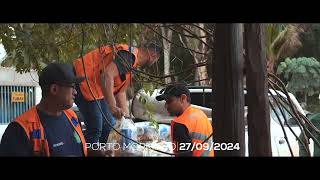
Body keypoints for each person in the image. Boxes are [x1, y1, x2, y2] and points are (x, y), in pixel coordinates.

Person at [73, 43, 161, 147]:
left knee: (109, 124)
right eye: (156, 61)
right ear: (154, 56)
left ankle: (103, 152)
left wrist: (127, 119)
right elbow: (106, 76)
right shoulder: (129, 57)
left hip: (96, 88)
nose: (154, 63)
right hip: (83, 80)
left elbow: (121, 92)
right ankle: (84, 152)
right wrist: (112, 106)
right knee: (96, 127)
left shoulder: (132, 65)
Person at [0, 63, 87, 157]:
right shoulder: (20, 130)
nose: (75, 92)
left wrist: (94, 152)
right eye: (72, 87)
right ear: (54, 89)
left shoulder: (72, 117)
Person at [156, 83, 214, 157]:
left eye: (169, 101)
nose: (166, 106)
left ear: (183, 98)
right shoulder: (200, 114)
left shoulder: (181, 123)